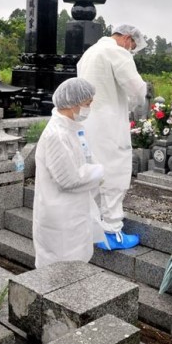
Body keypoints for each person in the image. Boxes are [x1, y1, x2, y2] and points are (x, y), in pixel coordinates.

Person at [77, 24, 148, 250]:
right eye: (133, 47)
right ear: (127, 39)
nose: (131, 51)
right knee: (115, 174)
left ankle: (93, 227)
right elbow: (137, 89)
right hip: (109, 124)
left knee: (93, 173)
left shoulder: (89, 53)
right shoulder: (117, 52)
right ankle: (112, 232)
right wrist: (131, 105)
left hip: (87, 122)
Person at [32, 77, 106, 268]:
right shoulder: (56, 135)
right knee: (59, 269)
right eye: (87, 104)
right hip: (60, 216)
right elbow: (68, 179)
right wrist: (99, 172)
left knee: (75, 265)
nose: (89, 108)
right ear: (73, 103)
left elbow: (84, 159)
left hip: (74, 211)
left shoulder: (72, 128)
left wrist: (94, 169)